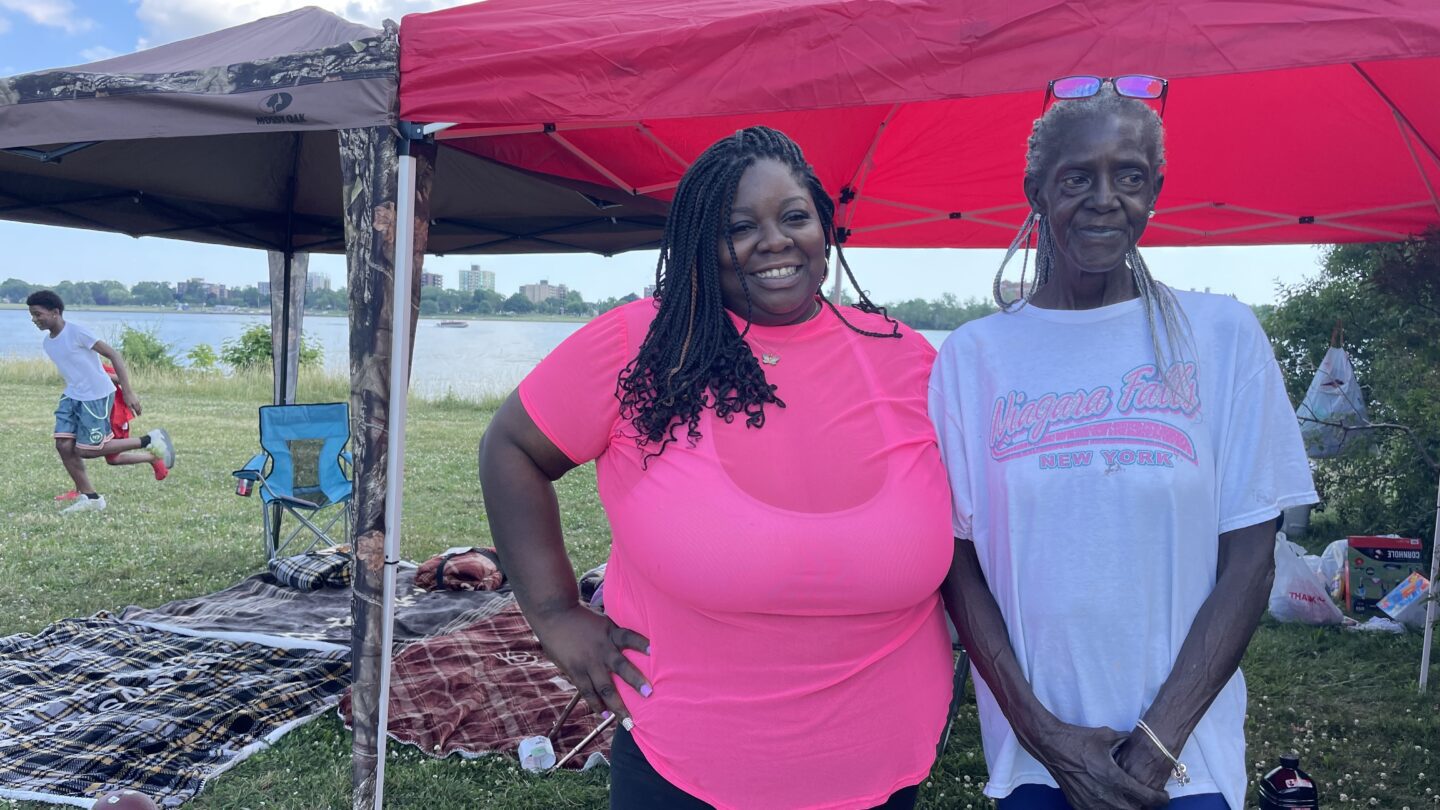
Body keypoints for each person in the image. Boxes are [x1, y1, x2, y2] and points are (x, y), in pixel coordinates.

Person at [478, 126, 955, 810]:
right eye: (739, 226)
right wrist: (554, 612)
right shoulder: (638, 348)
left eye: (795, 216)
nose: (775, 241)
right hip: (684, 771)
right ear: (703, 242)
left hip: (885, 770)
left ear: (825, 225)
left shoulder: (907, 358)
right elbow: (511, 447)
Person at [928, 81, 1318, 810]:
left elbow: (1250, 559)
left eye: (1129, 177)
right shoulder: (973, 359)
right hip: (1036, 766)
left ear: (1155, 190)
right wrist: (1049, 740)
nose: (1105, 198)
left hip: (1184, 770)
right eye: (1078, 177)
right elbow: (959, 566)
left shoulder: (1222, 337)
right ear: (1036, 190)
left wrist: (1152, 749)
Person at [27, 290, 176, 514]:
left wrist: (127, 391)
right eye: (32, 315)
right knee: (63, 445)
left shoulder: (77, 332)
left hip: (95, 396)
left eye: (38, 314)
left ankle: (149, 439)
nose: (35, 320)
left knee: (88, 449)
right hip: (72, 396)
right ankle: (91, 498)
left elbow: (114, 355)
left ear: (55, 312)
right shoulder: (49, 343)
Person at [54, 361, 170, 501]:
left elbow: (119, 378)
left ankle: (150, 446)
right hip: (85, 414)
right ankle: (81, 490)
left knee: (113, 458)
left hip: (112, 415)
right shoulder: (74, 362)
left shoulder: (94, 364)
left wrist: (95, 375)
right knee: (71, 446)